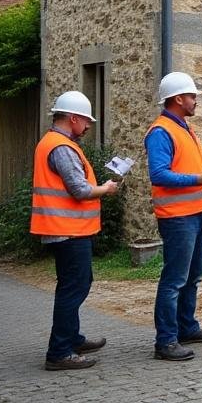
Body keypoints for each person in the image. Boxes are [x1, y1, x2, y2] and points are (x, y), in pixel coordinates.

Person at [31, 91, 119, 371]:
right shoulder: (61, 147)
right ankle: (60, 352)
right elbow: (79, 190)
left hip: (66, 229)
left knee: (76, 284)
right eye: (86, 120)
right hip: (68, 231)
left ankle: (72, 339)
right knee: (73, 288)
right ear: (72, 118)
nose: (89, 125)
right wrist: (106, 189)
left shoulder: (55, 143)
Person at [145, 72, 202, 361]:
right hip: (177, 217)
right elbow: (159, 174)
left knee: (193, 275)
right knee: (174, 279)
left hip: (195, 213)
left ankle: (186, 327)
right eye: (192, 96)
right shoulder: (161, 132)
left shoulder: (183, 128)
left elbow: (189, 160)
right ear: (178, 99)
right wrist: (199, 179)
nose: (196, 101)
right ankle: (166, 341)